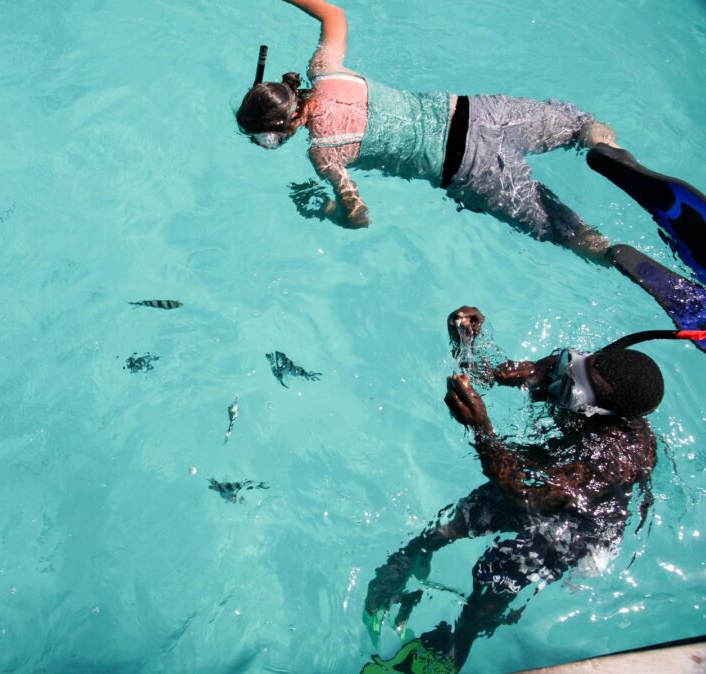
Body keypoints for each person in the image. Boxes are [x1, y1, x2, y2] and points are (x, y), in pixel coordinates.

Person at [235, 0, 696, 267]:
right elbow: (333, 15)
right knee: (581, 124)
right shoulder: (327, 71)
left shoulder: (323, 154)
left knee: (569, 233)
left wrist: (326, 209)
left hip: (470, 170)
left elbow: (360, 217)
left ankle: (621, 257)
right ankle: (608, 152)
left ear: (280, 129)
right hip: (479, 113)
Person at [360, 306, 665, 673]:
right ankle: (400, 571)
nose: (557, 381)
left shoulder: (617, 457)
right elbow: (495, 373)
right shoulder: (576, 373)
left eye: (569, 391)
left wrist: (481, 430)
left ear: (603, 413)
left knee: (490, 580)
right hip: (540, 476)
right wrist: (466, 343)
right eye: (569, 365)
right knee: (448, 525)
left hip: (578, 517)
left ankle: (457, 648)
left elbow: (524, 496)